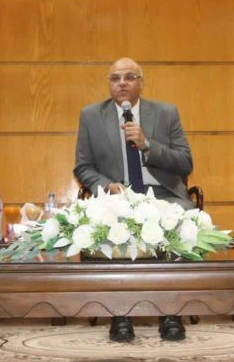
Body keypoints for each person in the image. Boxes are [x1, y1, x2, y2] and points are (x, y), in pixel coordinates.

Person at [74, 57, 193, 342]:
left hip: (162, 194)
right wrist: (105, 185)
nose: (122, 83)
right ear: (110, 83)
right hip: (117, 196)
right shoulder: (91, 116)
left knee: (181, 220)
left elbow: (185, 162)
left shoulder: (166, 113)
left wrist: (148, 145)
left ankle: (170, 313)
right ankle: (120, 316)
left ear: (141, 82)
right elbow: (83, 167)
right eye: (115, 78)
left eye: (129, 77)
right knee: (108, 224)